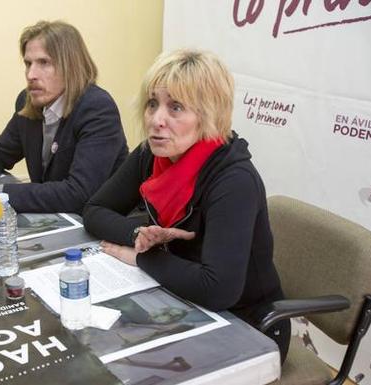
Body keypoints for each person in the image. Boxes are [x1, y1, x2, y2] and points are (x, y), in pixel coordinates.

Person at [82, 49, 290, 362]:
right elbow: (94, 212)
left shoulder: (234, 180)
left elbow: (218, 289)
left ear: (208, 115)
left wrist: (142, 257)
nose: (156, 119)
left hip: (249, 325)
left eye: (175, 107)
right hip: (180, 299)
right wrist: (142, 232)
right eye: (153, 104)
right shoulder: (152, 154)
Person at [0, 20, 128, 214]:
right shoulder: (28, 100)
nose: (31, 74)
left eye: (44, 63)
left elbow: (79, 193)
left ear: (71, 66)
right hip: (56, 217)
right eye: (28, 63)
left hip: (101, 223)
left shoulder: (97, 107)